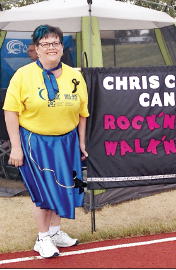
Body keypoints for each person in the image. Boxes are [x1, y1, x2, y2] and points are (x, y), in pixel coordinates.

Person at [3, 24, 89, 259]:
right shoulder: (23, 75)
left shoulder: (75, 76)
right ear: (37, 49)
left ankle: (55, 232)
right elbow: (10, 111)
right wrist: (16, 147)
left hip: (67, 142)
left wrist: (81, 143)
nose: (51, 47)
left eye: (55, 43)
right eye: (45, 43)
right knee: (43, 192)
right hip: (36, 142)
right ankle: (42, 239)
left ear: (62, 48)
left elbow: (83, 113)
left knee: (65, 187)